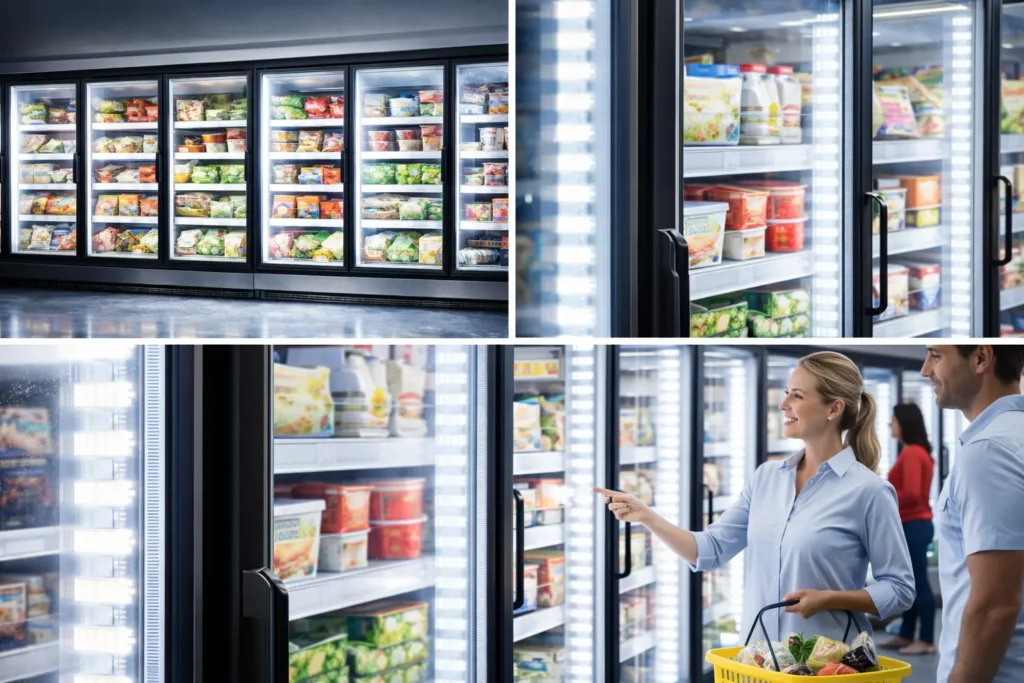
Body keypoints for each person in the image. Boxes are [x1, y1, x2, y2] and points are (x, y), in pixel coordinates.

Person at [597, 351, 915, 644]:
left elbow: (899, 590)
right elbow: (710, 550)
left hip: (827, 667)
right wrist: (647, 516)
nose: (783, 403)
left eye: (797, 395)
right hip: (758, 662)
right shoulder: (766, 478)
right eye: (787, 391)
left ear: (834, 408)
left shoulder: (869, 490)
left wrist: (829, 599)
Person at [921, 345, 1024, 683]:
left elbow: (996, 606)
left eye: (936, 355)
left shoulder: (988, 453)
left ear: (981, 358)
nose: (925, 369)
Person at [878, 402, 936, 655]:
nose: (890, 424)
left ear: (904, 423)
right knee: (911, 584)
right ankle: (906, 634)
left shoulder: (912, 453)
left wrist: (881, 495)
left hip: (913, 525)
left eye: (893, 419)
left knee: (919, 584)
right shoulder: (917, 451)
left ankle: (925, 639)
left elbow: (911, 493)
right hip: (914, 525)